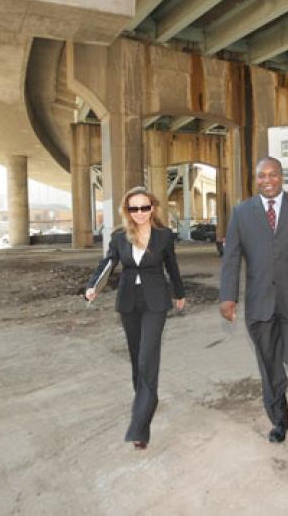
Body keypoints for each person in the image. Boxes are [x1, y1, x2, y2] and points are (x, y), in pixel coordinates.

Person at [219, 156, 288, 443]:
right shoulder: (241, 213)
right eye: (261, 176)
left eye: (272, 175)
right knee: (269, 364)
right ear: (255, 179)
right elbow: (231, 258)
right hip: (259, 303)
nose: (267, 180)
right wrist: (228, 297)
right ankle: (279, 419)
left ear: (282, 177)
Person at [85, 186, 186, 450]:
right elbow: (107, 264)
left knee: (147, 358)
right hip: (129, 302)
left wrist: (179, 292)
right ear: (127, 211)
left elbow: (172, 266)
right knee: (136, 358)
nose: (139, 213)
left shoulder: (164, 236)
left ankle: (140, 426)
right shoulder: (120, 237)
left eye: (144, 207)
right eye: (134, 208)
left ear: (152, 208)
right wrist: (93, 286)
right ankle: (144, 400)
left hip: (155, 302)